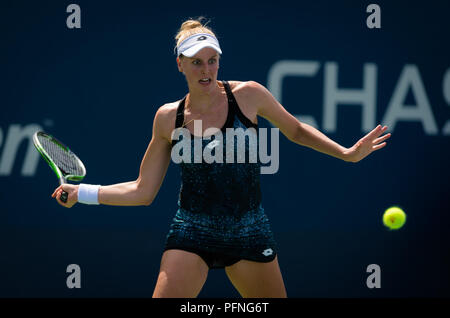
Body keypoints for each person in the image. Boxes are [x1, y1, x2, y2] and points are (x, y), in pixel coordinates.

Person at [52, 18, 391, 298]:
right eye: (196, 61)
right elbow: (143, 191)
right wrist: (81, 193)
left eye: (212, 60)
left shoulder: (249, 95)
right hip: (191, 233)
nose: (206, 69)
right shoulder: (168, 118)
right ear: (180, 64)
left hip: (250, 232)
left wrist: (346, 153)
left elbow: (297, 131)